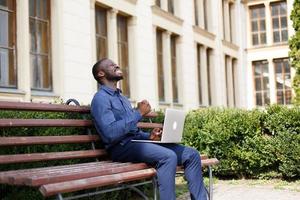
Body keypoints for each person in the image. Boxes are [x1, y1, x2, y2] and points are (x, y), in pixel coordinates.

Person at [91, 58, 207, 200]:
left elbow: (133, 131)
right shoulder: (100, 99)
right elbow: (110, 133)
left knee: (191, 154)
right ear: (101, 74)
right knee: (167, 157)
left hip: (135, 143)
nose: (116, 65)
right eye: (111, 65)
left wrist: (149, 137)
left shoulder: (122, 99)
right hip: (120, 148)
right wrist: (138, 113)